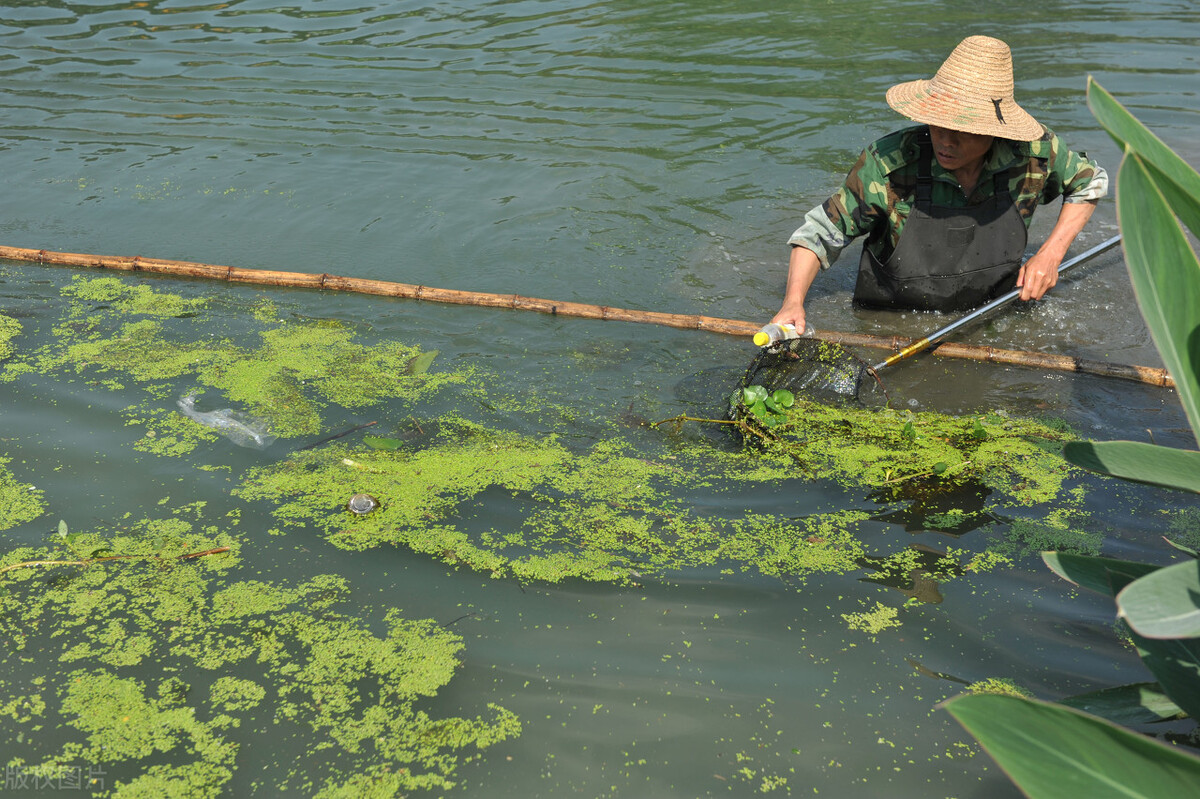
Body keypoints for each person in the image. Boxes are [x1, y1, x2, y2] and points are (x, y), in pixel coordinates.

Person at [771, 36, 1108, 334]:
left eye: (963, 130)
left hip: (995, 312)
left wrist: (1050, 255)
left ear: (994, 129)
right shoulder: (889, 164)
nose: (945, 140)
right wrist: (792, 302)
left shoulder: (1034, 153)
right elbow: (818, 234)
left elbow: (1090, 182)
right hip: (890, 321)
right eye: (938, 123)